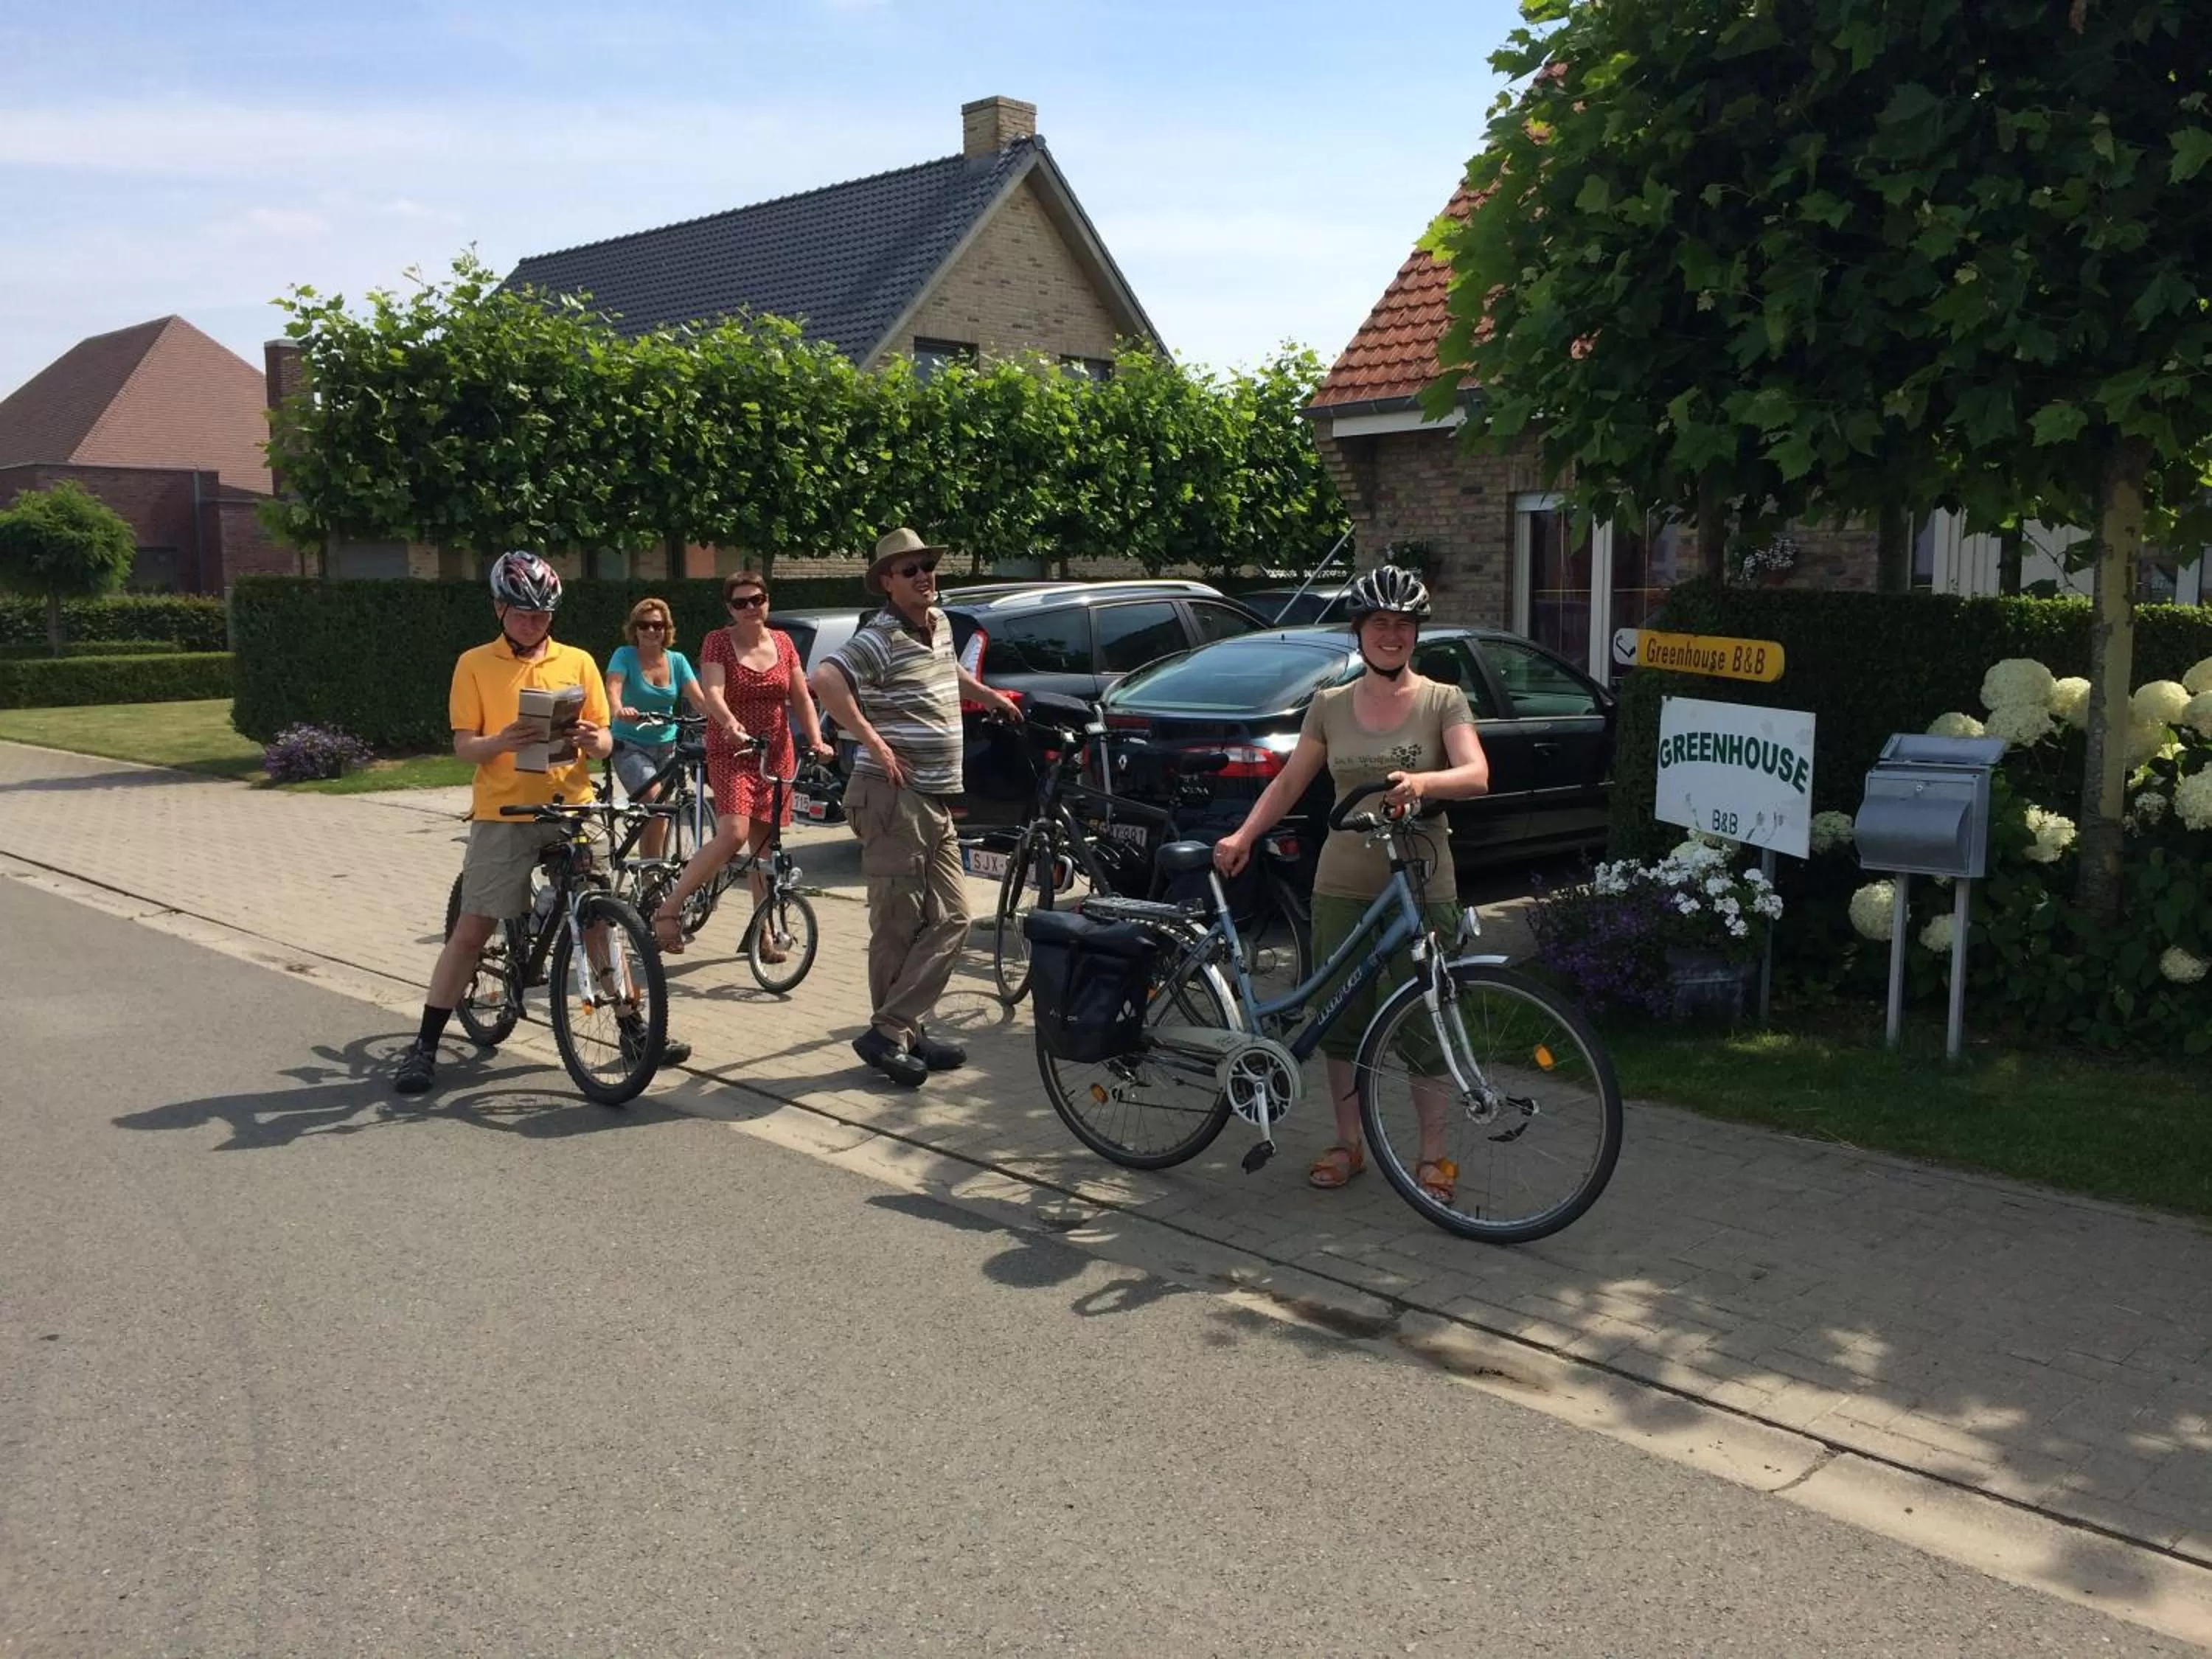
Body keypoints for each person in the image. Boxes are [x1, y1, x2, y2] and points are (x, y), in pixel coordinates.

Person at [1210, 566, 1490, 1199]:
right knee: (1341, 1017)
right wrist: (1245, 835)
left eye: (1403, 625)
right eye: (1379, 624)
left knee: (1426, 1018)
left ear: (1416, 634)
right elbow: (1288, 783)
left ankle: (1434, 1157)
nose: (1392, 635)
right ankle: (1348, 1143)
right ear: (1359, 632)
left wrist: (1423, 783)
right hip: (1341, 880)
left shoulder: (1442, 700)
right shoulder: (1331, 704)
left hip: (1422, 882)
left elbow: (1475, 772)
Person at [396, 551, 690, 1096]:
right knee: (474, 927)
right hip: (505, 811)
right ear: (499, 610)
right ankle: (425, 1045)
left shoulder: (577, 661)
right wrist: (500, 742)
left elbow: (605, 740)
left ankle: (632, 1030)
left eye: (543, 615)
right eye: (524, 615)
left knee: (603, 920)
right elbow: (464, 746)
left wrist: (591, 740)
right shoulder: (474, 664)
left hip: (573, 804)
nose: (534, 625)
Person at [810, 526, 1022, 1088]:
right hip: (890, 796)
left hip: (933, 796)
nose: (924, 575)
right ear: (886, 582)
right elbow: (825, 679)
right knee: (897, 925)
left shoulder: (941, 623)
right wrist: (871, 740)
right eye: (910, 570)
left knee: (952, 916)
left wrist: (988, 696)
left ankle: (897, 1029)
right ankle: (897, 1034)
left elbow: (944, 671)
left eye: (928, 565)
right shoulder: (878, 636)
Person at [650, 570, 832, 959]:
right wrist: (730, 723)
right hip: (733, 751)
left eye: (757, 600)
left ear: (767, 600)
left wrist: (816, 740)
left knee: (763, 849)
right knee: (733, 833)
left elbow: (801, 698)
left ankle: (762, 936)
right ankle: (668, 910)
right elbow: (713, 691)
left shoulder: (783, 643)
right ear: (729, 608)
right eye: (740, 602)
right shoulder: (718, 642)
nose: (751, 608)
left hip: (776, 751)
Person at [605, 597, 707, 862]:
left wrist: (722, 718)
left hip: (668, 746)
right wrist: (619, 710)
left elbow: (698, 699)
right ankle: (652, 871)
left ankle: (652, 865)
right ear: (635, 629)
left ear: (666, 629)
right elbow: (613, 688)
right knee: (656, 804)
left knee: (659, 814)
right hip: (630, 744)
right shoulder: (624, 655)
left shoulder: (677, 661)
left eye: (658, 625)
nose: (651, 631)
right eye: (644, 625)